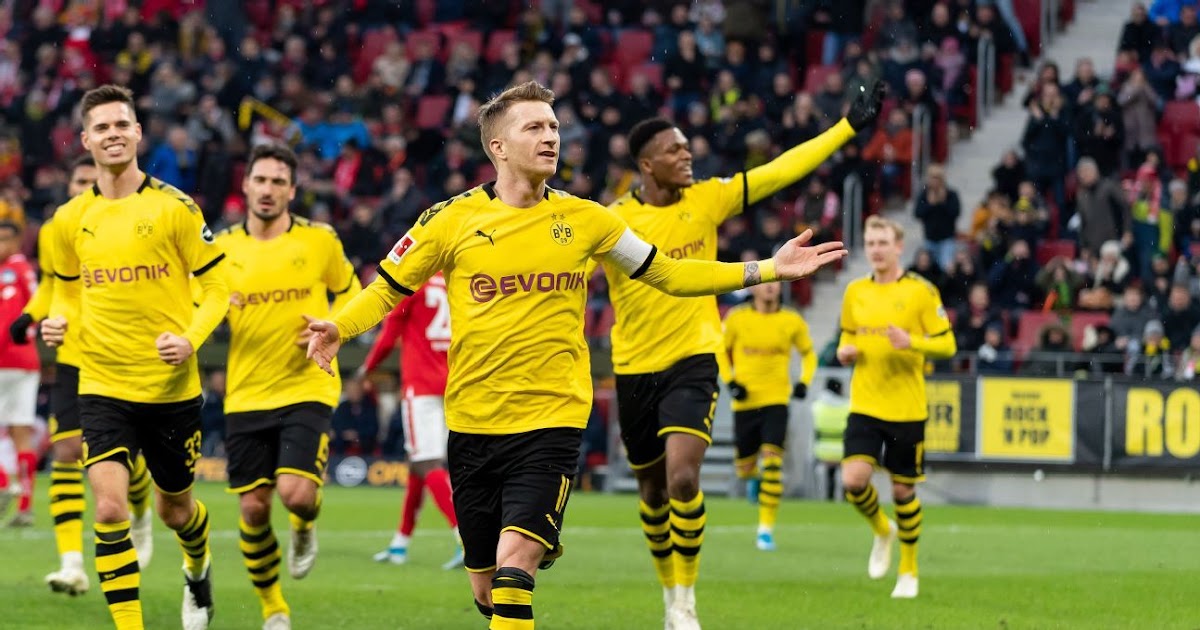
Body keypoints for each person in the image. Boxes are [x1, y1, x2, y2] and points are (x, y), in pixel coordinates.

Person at [303, 80, 850, 630]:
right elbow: (387, 288)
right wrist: (340, 328)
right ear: (498, 147)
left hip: (554, 418)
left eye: (555, 126)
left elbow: (671, 273)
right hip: (472, 422)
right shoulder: (449, 220)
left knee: (517, 566)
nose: (551, 137)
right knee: (488, 590)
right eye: (534, 127)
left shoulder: (590, 219)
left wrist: (767, 269)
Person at [602, 79, 884, 627]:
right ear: (647, 166)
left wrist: (846, 127)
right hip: (634, 366)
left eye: (688, 147)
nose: (688, 155)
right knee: (653, 493)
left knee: (684, 478)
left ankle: (686, 598)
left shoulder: (707, 198)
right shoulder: (612, 221)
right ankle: (668, 593)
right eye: (674, 150)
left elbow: (779, 171)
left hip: (694, 355)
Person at [41, 85, 230, 630]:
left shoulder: (175, 207)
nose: (113, 134)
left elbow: (217, 287)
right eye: (101, 127)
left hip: (170, 389)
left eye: (121, 124)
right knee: (108, 510)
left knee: (177, 510)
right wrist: (58, 319)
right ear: (86, 141)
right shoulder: (68, 218)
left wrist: (191, 339)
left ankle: (198, 566)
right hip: (101, 382)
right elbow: (66, 289)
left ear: (138, 133)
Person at [212, 143, 360, 630]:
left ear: (293, 191)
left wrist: (332, 324)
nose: (269, 189)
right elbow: (195, 304)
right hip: (246, 391)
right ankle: (274, 608)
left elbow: (353, 293)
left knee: (295, 494)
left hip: (307, 385)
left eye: (279, 181)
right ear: (246, 185)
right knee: (254, 508)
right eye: (261, 179)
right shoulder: (222, 249)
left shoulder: (320, 241)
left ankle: (304, 524)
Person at [13, 155, 159, 594]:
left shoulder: (132, 222)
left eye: (88, 180)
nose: (81, 187)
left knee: (125, 456)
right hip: (75, 355)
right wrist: (29, 315)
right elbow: (53, 286)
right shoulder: (59, 228)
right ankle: (72, 562)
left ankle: (140, 509)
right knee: (66, 449)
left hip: (124, 353)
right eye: (76, 180)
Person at [837, 215, 956, 599]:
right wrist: (844, 351)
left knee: (903, 492)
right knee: (853, 482)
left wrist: (913, 342)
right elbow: (847, 333)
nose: (875, 249)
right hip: (866, 403)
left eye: (882, 242)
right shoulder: (855, 291)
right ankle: (881, 529)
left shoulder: (922, 292)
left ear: (898, 246)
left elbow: (948, 345)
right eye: (870, 243)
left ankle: (909, 569)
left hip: (907, 408)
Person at [361, 272, 463, 570]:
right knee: (419, 464)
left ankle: (466, 538)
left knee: (428, 463)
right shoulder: (454, 280)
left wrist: (366, 369)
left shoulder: (413, 285)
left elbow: (389, 335)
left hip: (421, 387)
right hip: (452, 384)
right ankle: (399, 545)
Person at [722, 280, 816, 551]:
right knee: (745, 469)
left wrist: (804, 382)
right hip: (745, 402)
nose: (771, 288)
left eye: (775, 283)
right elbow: (719, 350)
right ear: (753, 288)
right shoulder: (737, 318)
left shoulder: (791, 320)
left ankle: (765, 530)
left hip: (777, 400)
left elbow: (809, 355)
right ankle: (754, 482)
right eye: (765, 283)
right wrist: (730, 382)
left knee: (773, 461)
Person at [0, 220, 39, 529]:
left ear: (15, 243)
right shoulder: (24, 271)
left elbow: (28, 312)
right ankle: (23, 503)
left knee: (19, 432)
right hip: (25, 363)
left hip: (10, 361)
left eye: (4, 240)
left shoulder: (14, 271)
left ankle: (5, 484)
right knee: (20, 432)